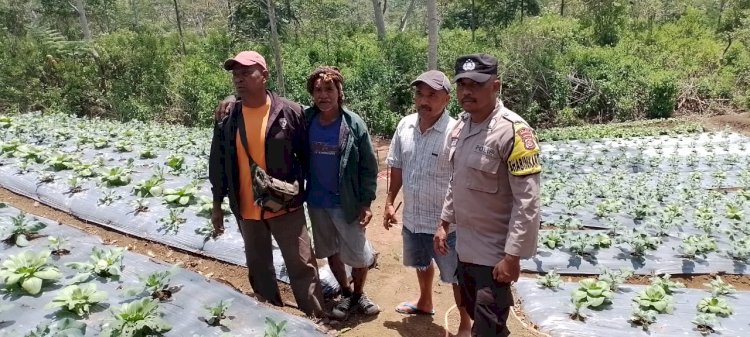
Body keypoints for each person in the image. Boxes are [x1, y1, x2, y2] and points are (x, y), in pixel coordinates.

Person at [208, 50, 325, 319]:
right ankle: (272, 320)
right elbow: (218, 163)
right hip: (248, 210)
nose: (240, 78)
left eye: (247, 72)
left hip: (286, 207)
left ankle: (317, 320)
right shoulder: (227, 117)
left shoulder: (290, 111)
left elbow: (306, 158)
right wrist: (217, 205)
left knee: (302, 265)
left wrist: (299, 193)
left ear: (264, 75)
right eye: (236, 74)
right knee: (259, 269)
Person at [433, 54, 541, 337]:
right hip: (465, 246)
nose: (467, 91)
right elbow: (457, 181)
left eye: (476, 85)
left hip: (494, 254)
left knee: (488, 324)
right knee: (476, 313)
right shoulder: (459, 128)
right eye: (462, 84)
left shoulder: (514, 132)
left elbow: (527, 202)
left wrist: (513, 256)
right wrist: (444, 223)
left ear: (496, 86)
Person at [383, 70, 472, 336]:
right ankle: (425, 302)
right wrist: (389, 201)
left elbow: (460, 182)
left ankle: (466, 325)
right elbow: (397, 166)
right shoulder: (405, 125)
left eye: (432, 95)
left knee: (457, 275)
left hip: (446, 225)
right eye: (420, 94)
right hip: (414, 216)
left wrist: (445, 223)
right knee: (422, 262)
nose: (424, 100)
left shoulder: (456, 132)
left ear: (446, 98)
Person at [303, 66, 380, 320]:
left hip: (346, 202)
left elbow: (369, 166)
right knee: (331, 251)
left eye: (329, 89)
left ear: (339, 92)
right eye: (317, 90)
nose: (323, 95)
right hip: (317, 201)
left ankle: (360, 294)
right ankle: (346, 293)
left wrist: (366, 203)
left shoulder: (353, 124)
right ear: (312, 94)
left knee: (357, 253)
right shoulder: (306, 120)